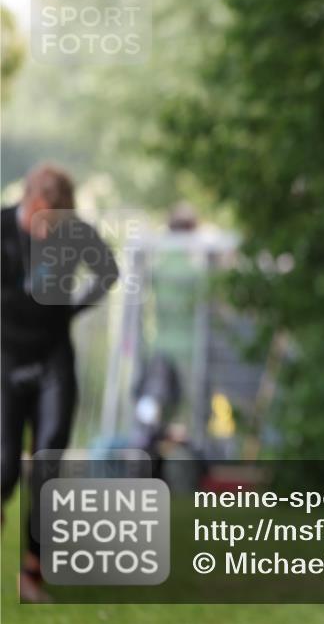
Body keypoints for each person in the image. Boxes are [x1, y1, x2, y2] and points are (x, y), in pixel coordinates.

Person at [1, 162, 119, 602]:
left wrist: (72, 308)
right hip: (6, 357)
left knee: (49, 460)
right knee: (4, 464)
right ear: (30, 204)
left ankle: (32, 573)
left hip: (53, 357)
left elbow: (108, 272)